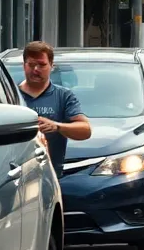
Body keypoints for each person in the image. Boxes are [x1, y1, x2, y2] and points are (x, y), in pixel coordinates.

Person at [18, 41, 91, 176]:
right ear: (24, 66)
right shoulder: (11, 96)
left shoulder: (63, 96)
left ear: (51, 66)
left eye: (41, 65)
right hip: (17, 174)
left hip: (52, 175)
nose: (36, 69)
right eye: (31, 64)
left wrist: (56, 126)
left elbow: (85, 130)